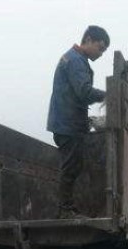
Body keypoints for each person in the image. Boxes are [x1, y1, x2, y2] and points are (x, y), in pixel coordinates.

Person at [47, 26, 110, 219]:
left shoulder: (74, 58)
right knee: (71, 165)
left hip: (68, 122)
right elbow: (84, 91)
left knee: (73, 164)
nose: (100, 54)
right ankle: (65, 210)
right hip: (67, 124)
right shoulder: (75, 61)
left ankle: (66, 208)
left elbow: (75, 95)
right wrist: (109, 94)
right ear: (88, 39)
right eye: (100, 48)